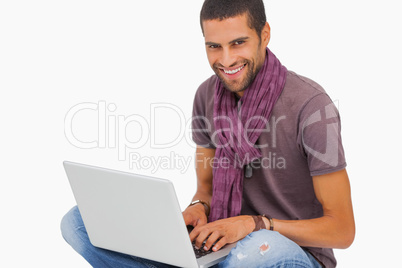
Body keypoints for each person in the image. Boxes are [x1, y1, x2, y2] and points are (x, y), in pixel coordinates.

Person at [61, 0, 355, 267]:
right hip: (222, 245)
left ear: (264, 34)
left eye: (238, 43)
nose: (226, 61)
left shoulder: (312, 106)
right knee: (78, 222)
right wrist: (197, 208)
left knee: (255, 251)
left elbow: (342, 231)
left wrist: (255, 224)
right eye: (214, 46)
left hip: (285, 250)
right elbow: (206, 190)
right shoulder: (206, 95)